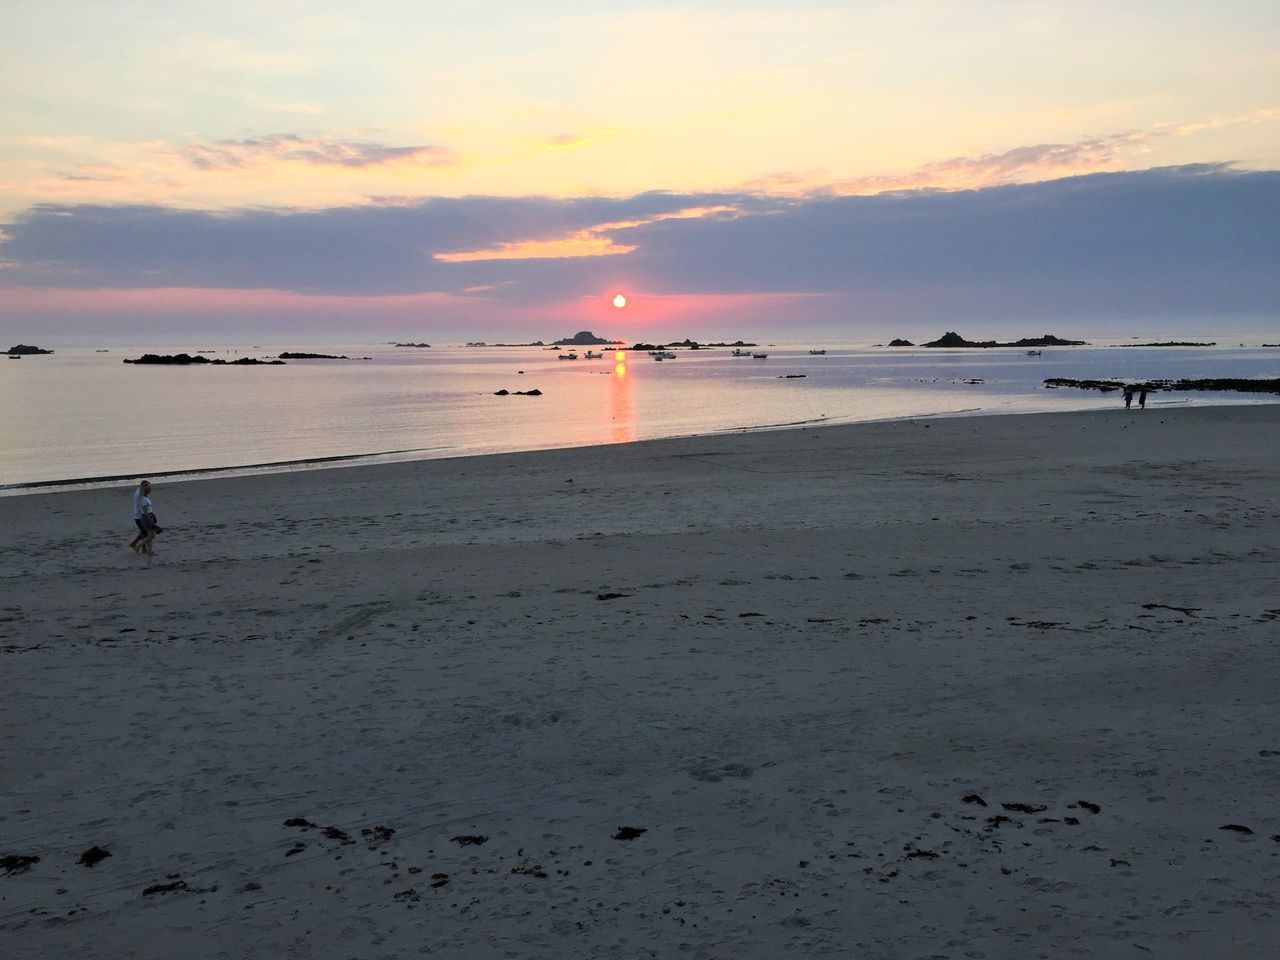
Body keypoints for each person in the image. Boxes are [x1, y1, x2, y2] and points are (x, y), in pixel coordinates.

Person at [129, 480, 159, 554]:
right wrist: (150, 520)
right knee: (148, 534)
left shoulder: (140, 494)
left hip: (141, 516)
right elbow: (144, 510)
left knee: (144, 533)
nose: (150, 488)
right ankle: (140, 547)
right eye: (148, 486)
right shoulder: (140, 495)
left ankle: (142, 548)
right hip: (140, 516)